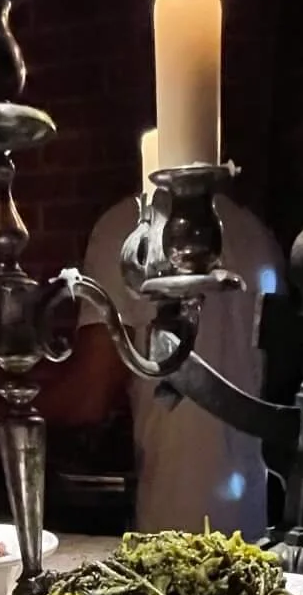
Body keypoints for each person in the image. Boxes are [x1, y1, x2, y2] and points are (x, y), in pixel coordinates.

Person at [36, 190, 286, 538]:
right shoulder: (259, 236)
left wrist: (8, 417)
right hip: (255, 516)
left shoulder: (132, 228)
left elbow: (89, 396)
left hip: (174, 519)